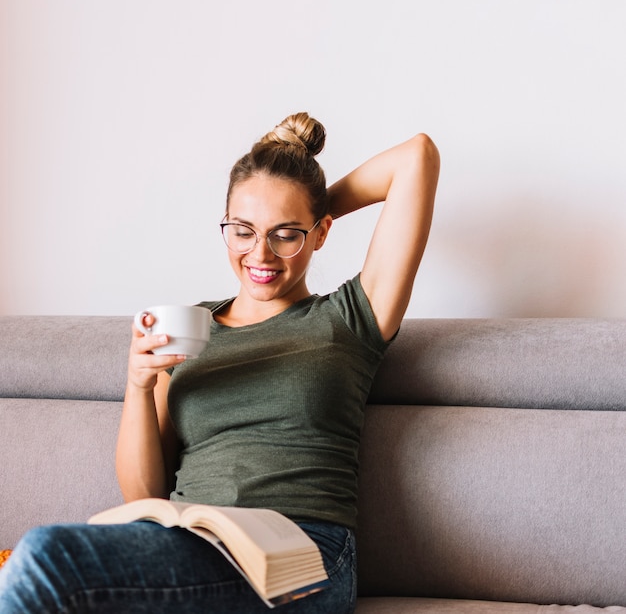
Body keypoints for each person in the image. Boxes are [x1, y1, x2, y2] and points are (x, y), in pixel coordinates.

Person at [0, 112, 440, 613]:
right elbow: (145, 494)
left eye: (285, 234)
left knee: (43, 557)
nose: (262, 253)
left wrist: (311, 205)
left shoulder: (351, 317)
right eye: (243, 231)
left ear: (321, 234)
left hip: (302, 552)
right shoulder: (193, 324)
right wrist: (140, 383)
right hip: (189, 539)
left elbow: (416, 156)